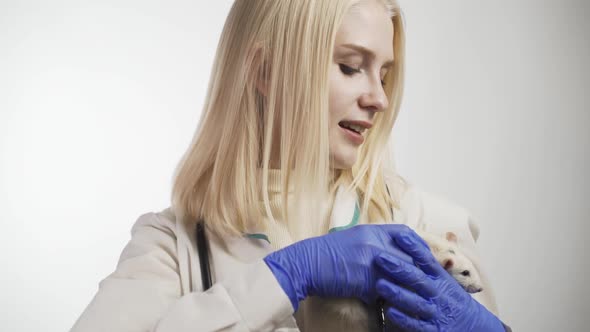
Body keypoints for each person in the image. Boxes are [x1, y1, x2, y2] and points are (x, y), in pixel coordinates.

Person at [71, 0, 512, 331]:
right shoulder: (173, 247)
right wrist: (284, 277)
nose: (378, 98)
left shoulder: (422, 221)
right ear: (265, 72)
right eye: (350, 66)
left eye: (384, 75)